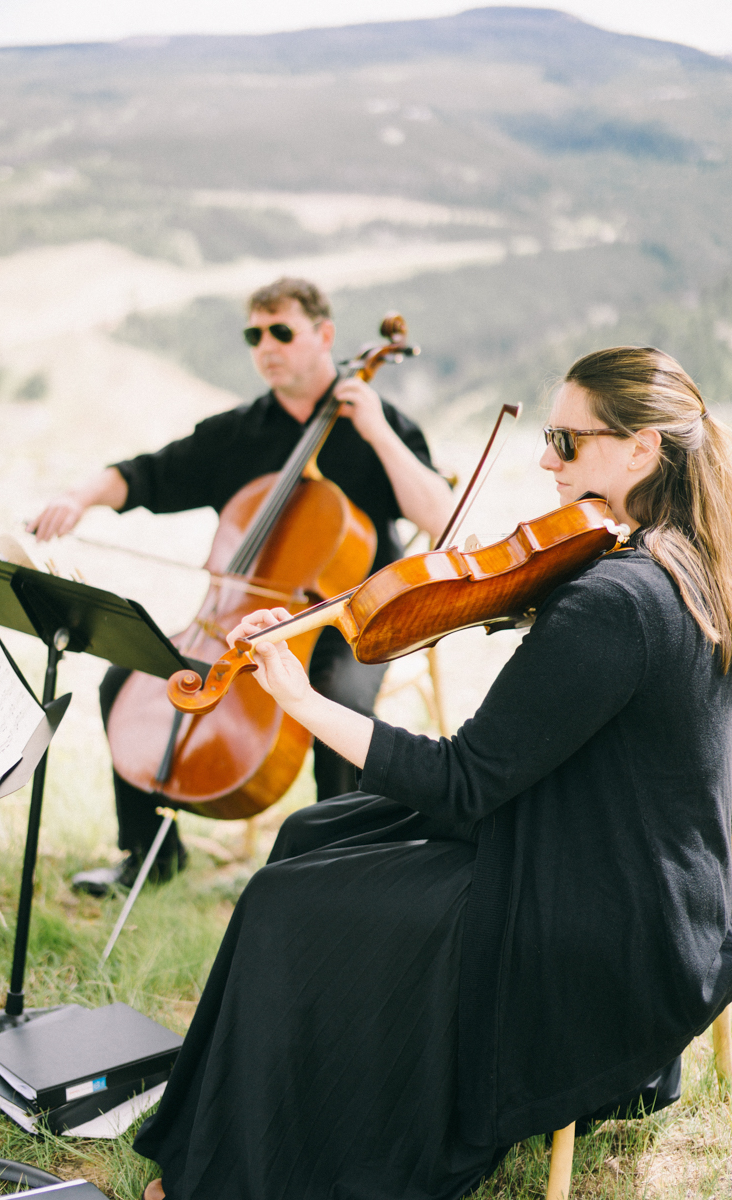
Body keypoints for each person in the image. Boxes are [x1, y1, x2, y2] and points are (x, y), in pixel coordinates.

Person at [133, 346, 732, 1200]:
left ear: (641, 452)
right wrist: (324, 620)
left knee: (286, 901)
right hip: (649, 868)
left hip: (607, 916)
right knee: (315, 830)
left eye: (566, 440)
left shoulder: (615, 600)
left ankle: (253, 1157)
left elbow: (462, 780)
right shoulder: (684, 557)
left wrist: (300, 699)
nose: (545, 459)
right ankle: (245, 1111)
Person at [27, 277, 453, 894]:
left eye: (282, 331)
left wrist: (380, 432)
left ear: (324, 335)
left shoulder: (379, 424)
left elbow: (440, 518)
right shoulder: (240, 431)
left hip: (352, 621)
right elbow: (146, 474)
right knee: (130, 679)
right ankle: (149, 854)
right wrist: (79, 497)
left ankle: (335, 872)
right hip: (241, 616)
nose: (267, 346)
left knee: (334, 700)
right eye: (255, 334)